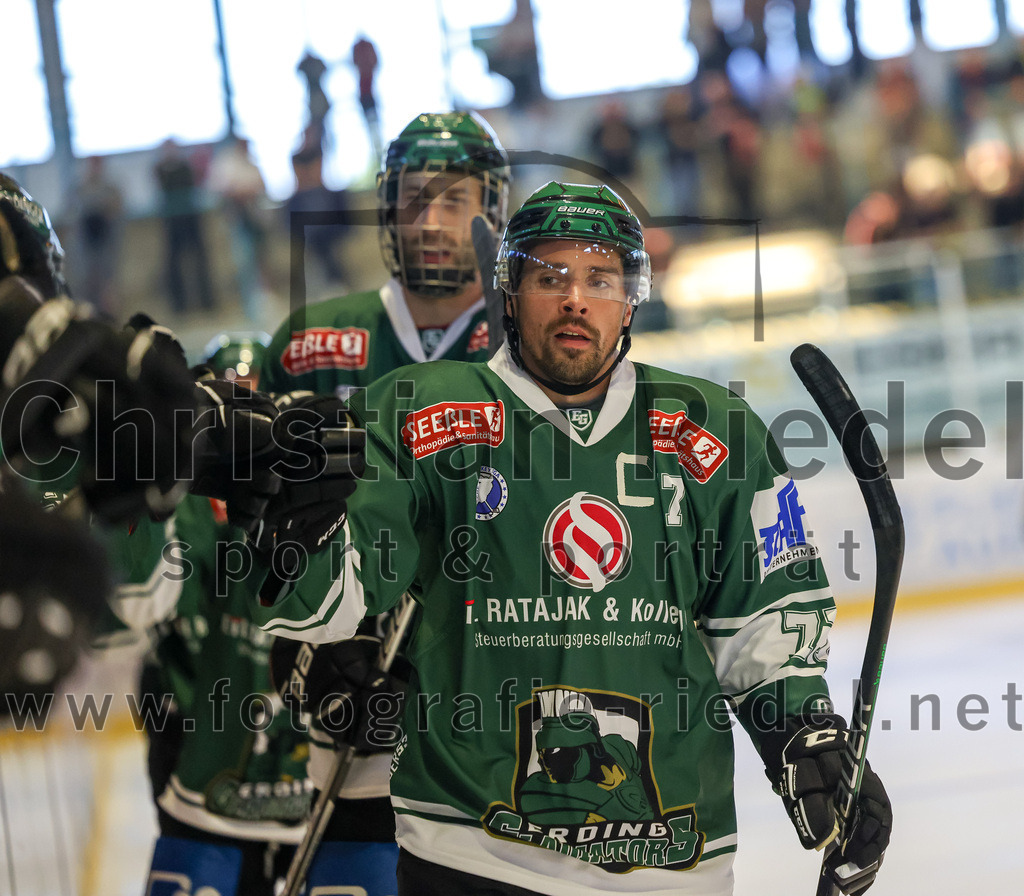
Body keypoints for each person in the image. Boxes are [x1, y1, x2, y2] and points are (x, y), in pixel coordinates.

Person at [244, 182, 892, 896]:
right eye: (550, 277)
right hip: (469, 851)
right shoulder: (417, 409)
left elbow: (764, 631)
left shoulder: (715, 429)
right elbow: (325, 602)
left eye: (599, 278)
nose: (576, 298)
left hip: (672, 859)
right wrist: (302, 527)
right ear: (511, 293)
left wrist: (803, 740)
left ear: (630, 299)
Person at [257, 109, 512, 894]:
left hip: (497, 732)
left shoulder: (531, 350)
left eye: (454, 199)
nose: (431, 221)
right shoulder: (311, 345)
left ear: (493, 211)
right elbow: (262, 543)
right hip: (347, 748)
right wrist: (303, 654)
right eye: (413, 198)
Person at [106, 332, 329, 896]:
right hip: (200, 760)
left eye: (252, 403)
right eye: (229, 403)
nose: (240, 433)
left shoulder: (312, 498)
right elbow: (138, 604)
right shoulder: (186, 508)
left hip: (300, 774)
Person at [152, 138, 217, 314]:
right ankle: (179, 306)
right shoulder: (159, 169)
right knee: (173, 263)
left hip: (190, 218)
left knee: (200, 259)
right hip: (172, 221)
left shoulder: (187, 167)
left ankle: (207, 302)